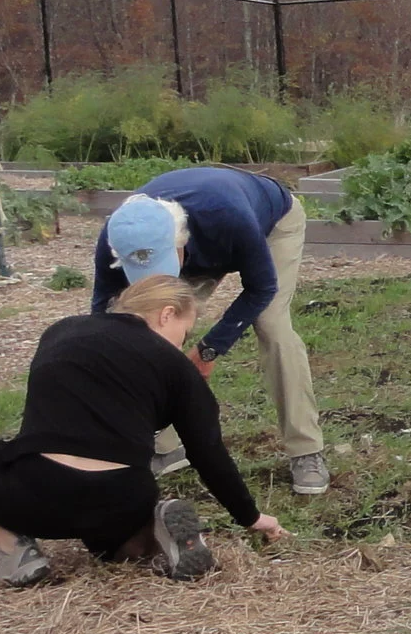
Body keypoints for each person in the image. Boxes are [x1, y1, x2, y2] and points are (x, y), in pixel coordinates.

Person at [0, 275, 288, 587]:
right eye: (184, 333)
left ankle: (14, 549)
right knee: (113, 547)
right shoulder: (178, 369)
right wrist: (251, 516)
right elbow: (208, 452)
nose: (181, 345)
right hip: (123, 498)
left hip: (35, 495)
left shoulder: (62, 332)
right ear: (166, 314)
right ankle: (148, 537)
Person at [91, 165, 329, 496]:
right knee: (148, 327)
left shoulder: (227, 216)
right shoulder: (119, 235)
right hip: (204, 244)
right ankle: (167, 445)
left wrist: (209, 350)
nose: (158, 280)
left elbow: (261, 288)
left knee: (272, 325)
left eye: (162, 264)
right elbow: (104, 316)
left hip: (272, 223)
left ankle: (306, 450)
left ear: (179, 240)